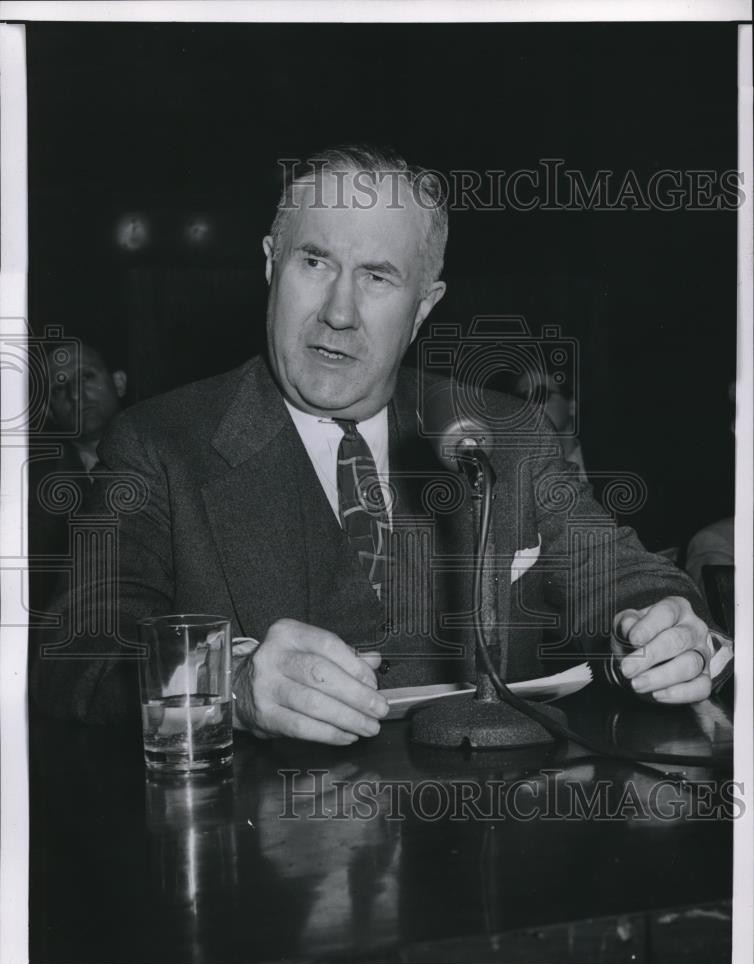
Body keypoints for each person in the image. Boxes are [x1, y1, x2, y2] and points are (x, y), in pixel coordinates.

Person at [30, 145, 723, 745]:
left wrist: (669, 628)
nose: (339, 312)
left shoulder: (507, 433)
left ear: (424, 305)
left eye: (378, 276)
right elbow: (77, 658)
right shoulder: (157, 444)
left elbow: (627, 578)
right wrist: (229, 686)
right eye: (314, 261)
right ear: (271, 265)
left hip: (486, 835)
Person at [27, 341, 128, 613]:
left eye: (86, 376)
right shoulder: (36, 496)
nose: (75, 394)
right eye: (59, 388)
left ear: (119, 383)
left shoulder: (168, 461)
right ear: (48, 411)